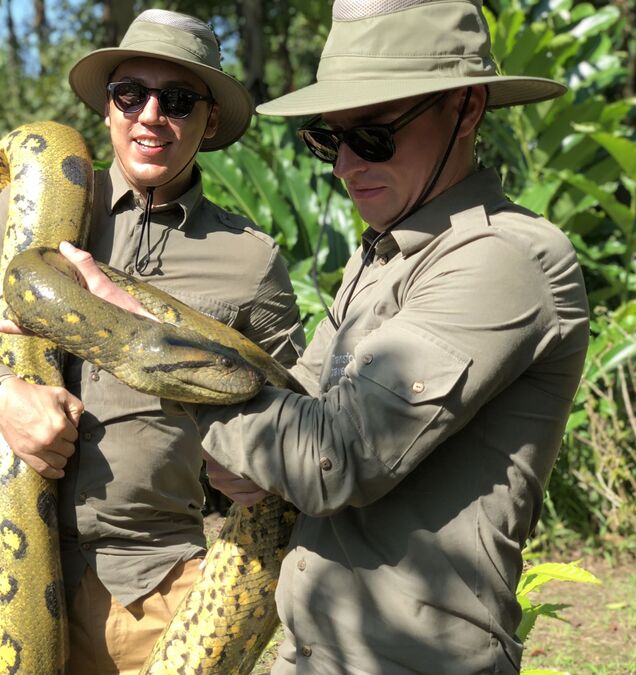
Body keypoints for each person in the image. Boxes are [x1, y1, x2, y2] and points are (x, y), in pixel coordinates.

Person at [56, 0, 591, 671]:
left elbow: (328, 457)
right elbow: (293, 402)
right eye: (327, 139)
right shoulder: (380, 255)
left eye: (372, 137)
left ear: (466, 108)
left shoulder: (503, 258)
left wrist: (131, 335)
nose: (343, 166)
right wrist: (250, 450)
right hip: (313, 647)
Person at [0, 9, 304, 673]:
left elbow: (296, 407)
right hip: (2, 572)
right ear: (108, 107)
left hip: (152, 586)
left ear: (209, 121)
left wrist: (264, 463)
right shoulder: (34, 207)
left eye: (179, 99)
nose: (151, 115)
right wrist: (1, 391)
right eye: (131, 94)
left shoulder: (249, 258)